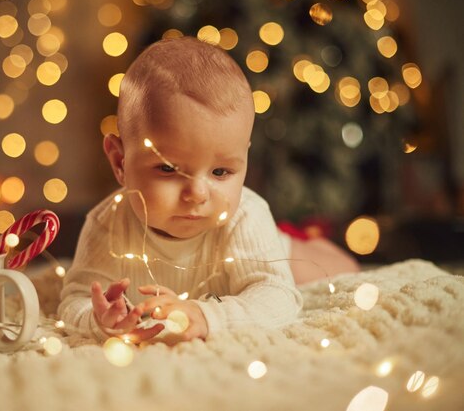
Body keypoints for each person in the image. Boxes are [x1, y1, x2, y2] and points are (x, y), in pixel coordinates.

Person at [58, 36, 349, 344]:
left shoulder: (245, 216)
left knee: (339, 270)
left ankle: (297, 240)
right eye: (169, 169)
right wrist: (98, 317)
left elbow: (278, 297)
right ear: (120, 161)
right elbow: (74, 298)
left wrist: (207, 315)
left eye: (221, 172)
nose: (197, 193)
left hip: (265, 250)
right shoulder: (108, 223)